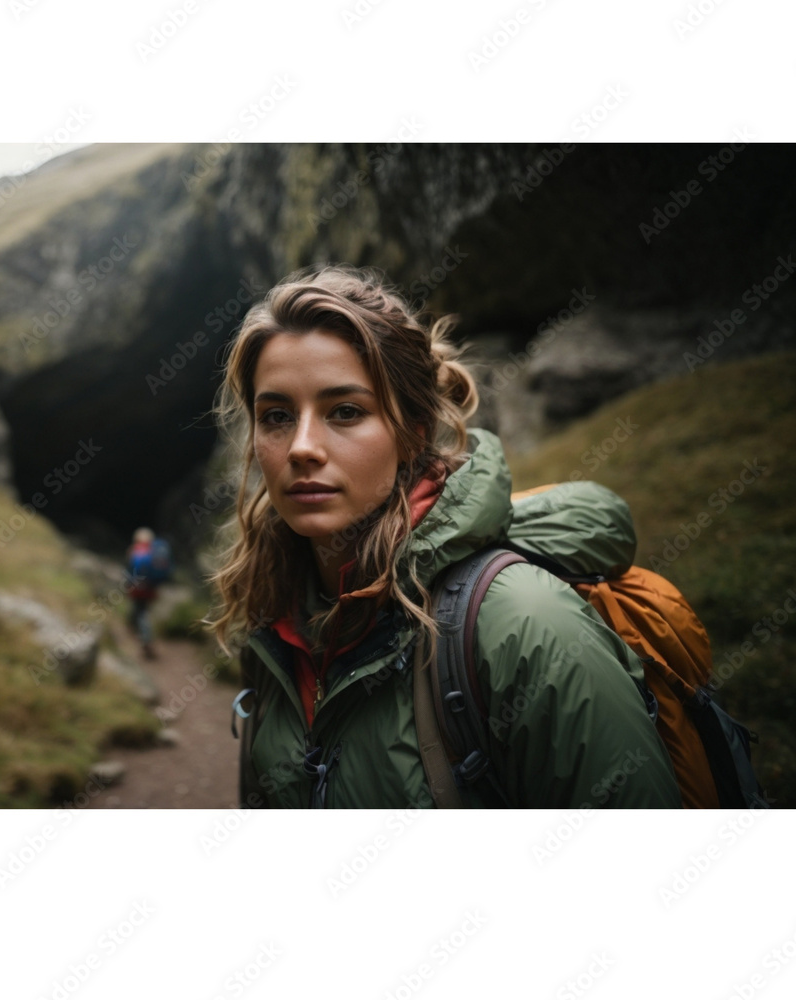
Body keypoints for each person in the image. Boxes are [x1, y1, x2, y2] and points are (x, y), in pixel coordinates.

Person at [206, 262, 683, 809]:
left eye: (344, 411)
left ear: (411, 432)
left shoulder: (523, 624)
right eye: (276, 416)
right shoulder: (277, 615)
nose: (301, 447)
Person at [124, 527, 167, 660]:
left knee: (140, 612)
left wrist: (128, 584)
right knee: (142, 611)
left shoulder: (134, 551)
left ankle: (145, 638)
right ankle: (139, 632)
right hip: (149, 588)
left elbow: (129, 570)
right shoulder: (154, 552)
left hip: (137, 588)